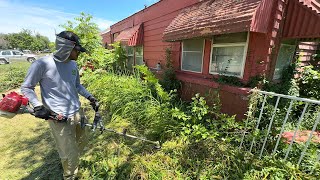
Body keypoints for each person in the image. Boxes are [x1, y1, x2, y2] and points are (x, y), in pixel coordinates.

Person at [21, 31, 98, 179]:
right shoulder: (42, 64)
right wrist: (38, 105)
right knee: (69, 152)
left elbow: (77, 85)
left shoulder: (73, 65)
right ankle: (70, 175)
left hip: (77, 111)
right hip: (59, 117)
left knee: (81, 141)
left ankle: (73, 161)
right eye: (77, 50)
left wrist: (90, 97)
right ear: (66, 48)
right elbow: (26, 87)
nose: (79, 53)